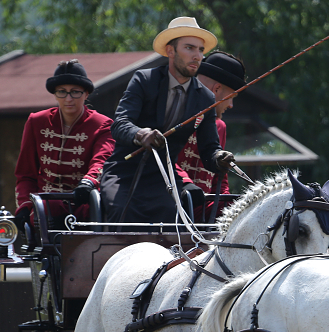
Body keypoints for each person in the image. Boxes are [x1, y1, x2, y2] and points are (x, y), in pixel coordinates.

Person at [100, 17, 236, 225]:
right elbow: (120, 124)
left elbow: (209, 148)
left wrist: (219, 157)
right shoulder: (144, 80)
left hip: (164, 179)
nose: (197, 56)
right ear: (170, 51)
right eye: (189, 48)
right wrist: (141, 134)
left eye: (200, 50)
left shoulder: (205, 98)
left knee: (171, 225)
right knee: (123, 216)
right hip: (124, 174)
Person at [13, 59, 115, 231]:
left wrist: (88, 183)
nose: (68, 98)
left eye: (75, 92)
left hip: (84, 205)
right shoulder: (36, 121)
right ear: (55, 94)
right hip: (44, 207)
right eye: (62, 92)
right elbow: (25, 174)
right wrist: (24, 207)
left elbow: (102, 161)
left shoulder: (102, 125)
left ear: (86, 94)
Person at [174, 50, 246, 222]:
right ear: (217, 89)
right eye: (231, 98)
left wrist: (234, 206)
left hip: (202, 211)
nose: (231, 105)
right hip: (168, 203)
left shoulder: (220, 126)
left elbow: (220, 182)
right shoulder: (174, 112)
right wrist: (185, 183)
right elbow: (161, 159)